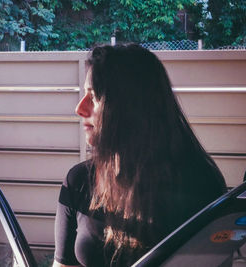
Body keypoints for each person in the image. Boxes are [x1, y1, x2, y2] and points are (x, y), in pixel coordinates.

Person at [53, 44, 227, 267]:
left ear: (130, 107)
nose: (79, 108)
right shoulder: (78, 182)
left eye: (94, 96)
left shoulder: (201, 185)